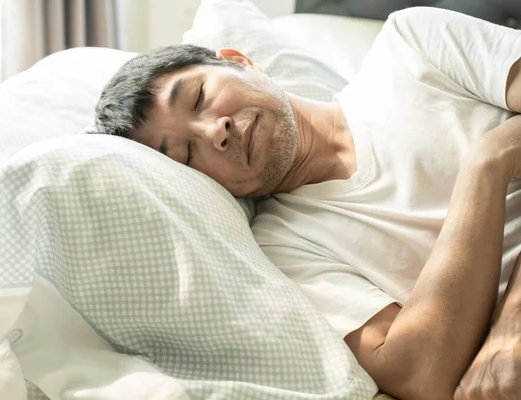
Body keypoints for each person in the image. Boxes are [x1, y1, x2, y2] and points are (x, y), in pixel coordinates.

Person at [93, 7, 521, 400]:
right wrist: (485, 168)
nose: (214, 132)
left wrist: (512, 320)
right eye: (186, 153)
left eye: (199, 97)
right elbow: (419, 373)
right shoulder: (282, 253)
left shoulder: (412, 48)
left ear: (240, 61)